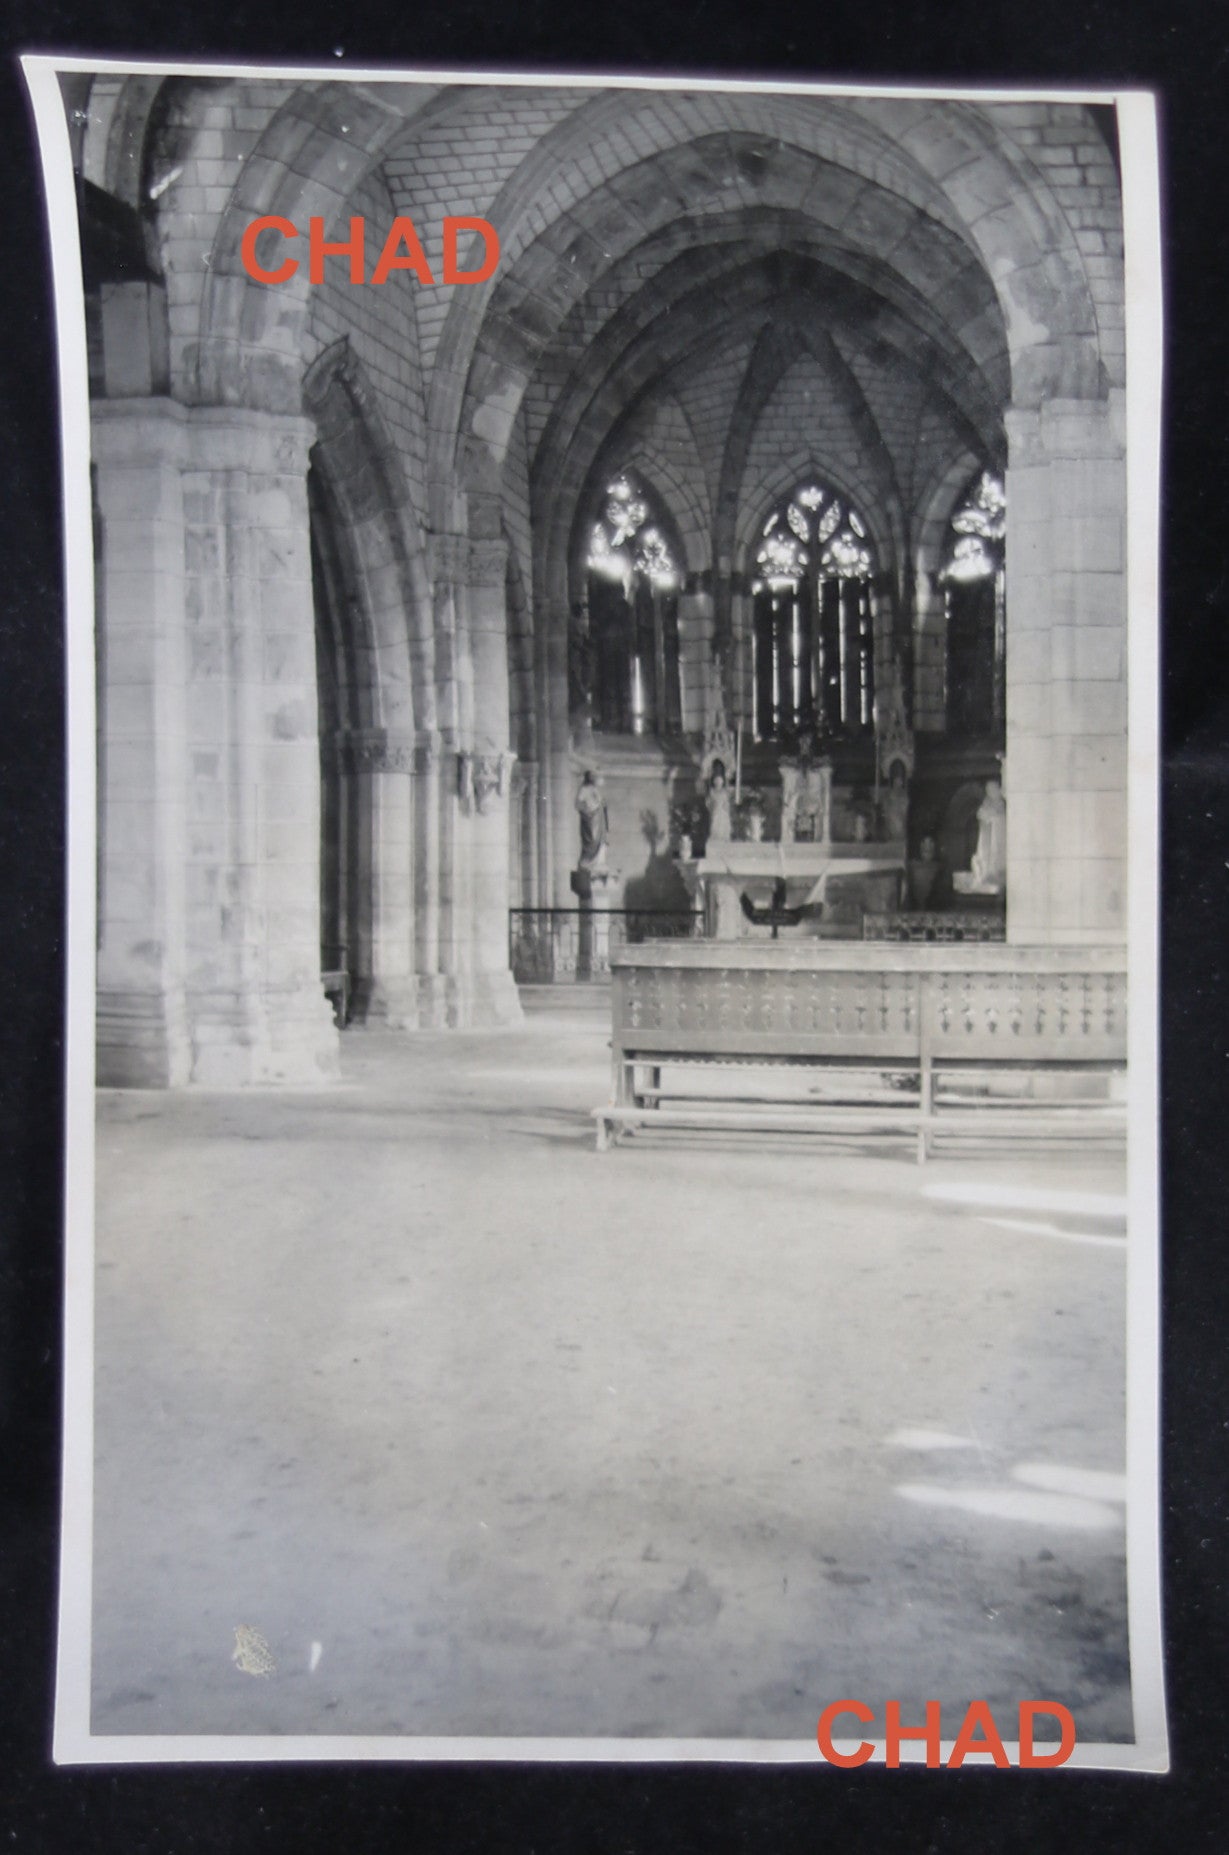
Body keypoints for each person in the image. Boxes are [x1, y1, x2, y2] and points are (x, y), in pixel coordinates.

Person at [575, 770, 609, 870]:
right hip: (589, 818)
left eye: (594, 777)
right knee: (591, 840)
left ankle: (598, 861)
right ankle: (588, 861)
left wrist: (602, 804)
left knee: (600, 839)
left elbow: (600, 801)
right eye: (591, 777)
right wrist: (587, 810)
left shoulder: (594, 789)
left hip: (598, 817)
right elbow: (577, 804)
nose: (593, 779)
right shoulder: (583, 789)